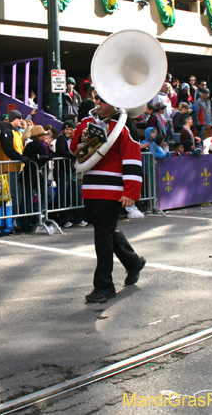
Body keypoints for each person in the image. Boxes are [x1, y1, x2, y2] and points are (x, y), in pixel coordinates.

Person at [70, 92, 146, 303]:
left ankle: (104, 286)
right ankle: (133, 262)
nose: (98, 104)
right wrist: (82, 139)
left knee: (102, 238)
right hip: (91, 188)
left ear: (113, 104)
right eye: (97, 100)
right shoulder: (86, 121)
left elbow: (131, 155)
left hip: (111, 189)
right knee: (106, 231)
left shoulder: (123, 124)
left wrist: (131, 191)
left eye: (102, 101)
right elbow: (72, 149)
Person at [0, 109, 31, 230]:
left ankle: (16, 220)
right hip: (9, 167)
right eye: (19, 118)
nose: (21, 120)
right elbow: (8, 149)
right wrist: (21, 158)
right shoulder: (6, 131)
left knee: (18, 196)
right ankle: (13, 222)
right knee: (14, 196)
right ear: (13, 119)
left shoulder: (15, 131)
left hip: (16, 168)